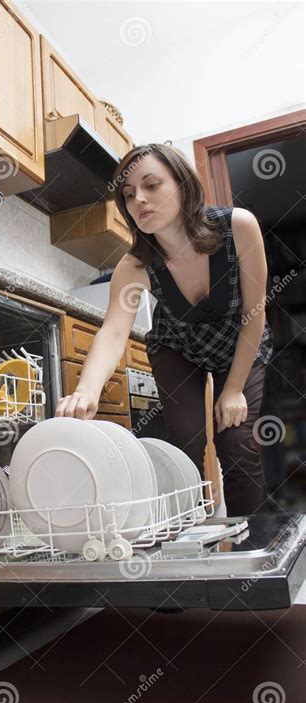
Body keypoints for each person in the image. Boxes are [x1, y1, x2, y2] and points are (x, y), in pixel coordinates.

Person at [55, 143, 274, 516]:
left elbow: (255, 313)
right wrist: (85, 391)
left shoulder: (238, 227)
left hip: (239, 344)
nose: (139, 199)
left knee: (236, 442)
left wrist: (233, 389)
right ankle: (188, 537)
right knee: (183, 441)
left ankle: (253, 551)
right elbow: (112, 333)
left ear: (183, 185)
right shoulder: (135, 266)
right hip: (178, 347)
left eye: (152, 185)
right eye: (128, 195)